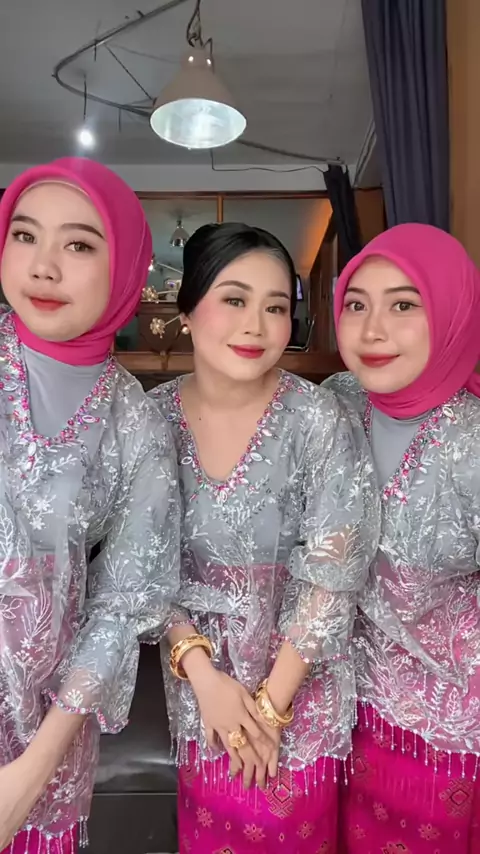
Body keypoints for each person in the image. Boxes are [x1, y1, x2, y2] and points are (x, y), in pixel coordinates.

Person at [149, 222, 378, 853]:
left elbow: (335, 572)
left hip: (300, 693)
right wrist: (202, 677)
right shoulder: (148, 419)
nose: (255, 325)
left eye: (276, 307)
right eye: (234, 299)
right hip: (201, 694)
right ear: (187, 310)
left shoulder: (319, 418)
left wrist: (271, 709)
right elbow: (139, 564)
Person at [0, 158, 181, 853]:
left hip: (46, 731)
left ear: (125, 268)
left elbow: (121, 603)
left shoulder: (136, 423)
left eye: (78, 244)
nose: (43, 266)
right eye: (24, 235)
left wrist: (31, 772)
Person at [326, 223, 480, 852]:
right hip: (334, 712)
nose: (372, 331)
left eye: (403, 305)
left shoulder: (472, 444)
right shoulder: (335, 405)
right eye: (356, 305)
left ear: (450, 315)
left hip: (444, 737)